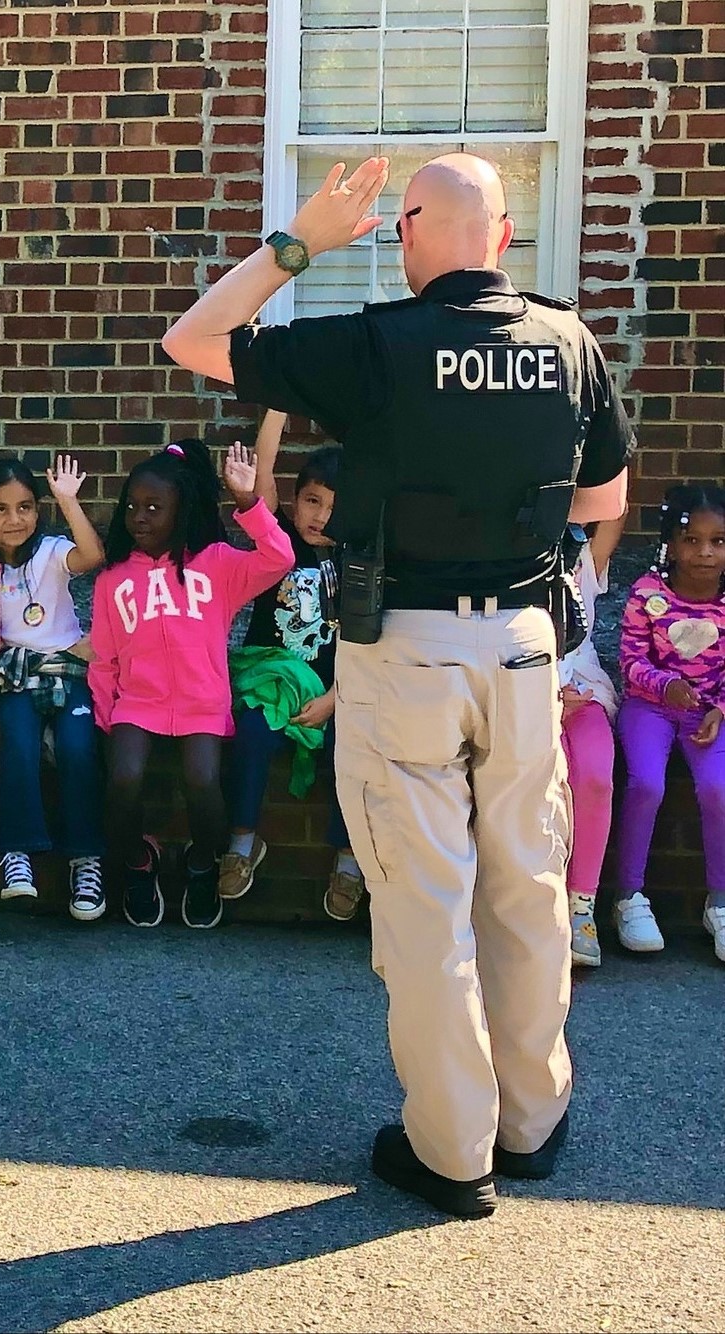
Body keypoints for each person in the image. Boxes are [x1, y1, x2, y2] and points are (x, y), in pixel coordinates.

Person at [163, 153, 634, 1217]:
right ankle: (530, 1123)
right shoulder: (570, 341)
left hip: (406, 645)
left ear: (410, 231)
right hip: (523, 647)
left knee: (426, 903)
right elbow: (600, 495)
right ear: (505, 238)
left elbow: (192, 339)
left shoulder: (378, 343)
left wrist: (302, 241)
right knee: (526, 888)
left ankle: (452, 1147)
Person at [90, 439, 293, 931]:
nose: (140, 517)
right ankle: (141, 862)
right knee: (122, 778)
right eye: (133, 506)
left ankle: (203, 863)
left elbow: (278, 558)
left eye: (155, 508)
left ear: (183, 511)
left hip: (202, 703)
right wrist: (105, 713)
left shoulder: (218, 564)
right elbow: (104, 655)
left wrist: (248, 502)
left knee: (203, 782)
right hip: (138, 703)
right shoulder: (114, 578)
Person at [221, 410, 365, 920]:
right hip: (270, 680)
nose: (320, 516)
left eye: (334, 506)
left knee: (350, 750)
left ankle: (350, 860)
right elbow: (260, 483)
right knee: (250, 735)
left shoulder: (360, 560)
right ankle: (241, 842)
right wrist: (277, 409)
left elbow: (369, 646)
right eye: (311, 500)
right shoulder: (279, 542)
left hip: (333, 690)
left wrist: (332, 699)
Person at [0, 456, 106, 916]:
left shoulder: (54, 552)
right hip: (13, 675)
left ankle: (85, 858)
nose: (14, 519)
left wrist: (68, 501)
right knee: (17, 744)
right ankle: (17, 853)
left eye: (25, 507)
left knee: (79, 747)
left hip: (67, 671)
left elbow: (93, 557)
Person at [613, 484, 725, 964]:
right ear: (671, 545)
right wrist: (665, 687)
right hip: (650, 707)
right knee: (646, 784)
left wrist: (720, 706)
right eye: (692, 540)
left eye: (718, 541)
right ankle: (629, 896)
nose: (704, 552)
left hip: (710, 713)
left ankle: (719, 901)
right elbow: (630, 659)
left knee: (718, 787)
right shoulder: (648, 594)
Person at [558, 514, 625, 967]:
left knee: (596, 776)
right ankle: (536, 910)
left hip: (583, 695)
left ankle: (581, 905)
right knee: (545, 780)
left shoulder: (583, 556)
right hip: (521, 693)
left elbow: (615, 503)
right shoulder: (502, 559)